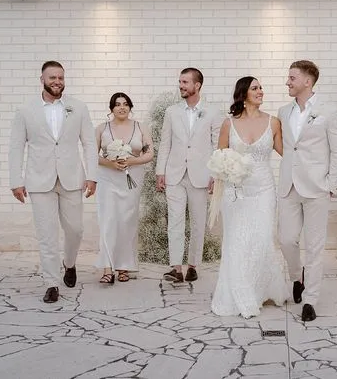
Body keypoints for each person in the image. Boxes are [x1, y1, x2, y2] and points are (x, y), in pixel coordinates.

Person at [8, 60, 98, 303]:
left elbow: (89, 142)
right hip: (39, 180)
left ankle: (69, 263)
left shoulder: (78, 107)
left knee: (76, 230)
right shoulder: (25, 111)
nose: (57, 81)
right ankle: (51, 283)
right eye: (52, 78)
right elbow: (16, 146)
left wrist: (92, 176)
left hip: (72, 178)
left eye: (60, 77)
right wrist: (16, 180)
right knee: (46, 234)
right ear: (42, 80)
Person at [210, 77, 289, 318]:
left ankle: (259, 287)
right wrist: (223, 174)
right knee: (237, 242)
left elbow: (287, 152)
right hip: (236, 193)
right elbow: (219, 157)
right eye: (255, 88)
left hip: (264, 189)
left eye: (261, 87)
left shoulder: (274, 122)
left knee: (263, 239)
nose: (260, 91)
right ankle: (242, 294)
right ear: (243, 94)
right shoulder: (228, 124)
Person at [278, 60, 337, 322]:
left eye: (292, 77)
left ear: (308, 81)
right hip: (288, 185)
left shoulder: (329, 111)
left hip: (317, 186)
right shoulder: (284, 112)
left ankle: (310, 300)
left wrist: (331, 184)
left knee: (315, 247)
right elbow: (287, 147)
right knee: (286, 239)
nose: (288, 81)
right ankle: (297, 277)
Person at [155, 68, 222, 283]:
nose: (181, 86)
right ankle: (176, 268)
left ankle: (193, 265)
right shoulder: (172, 112)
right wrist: (160, 171)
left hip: (201, 175)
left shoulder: (212, 112)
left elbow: (216, 146)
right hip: (174, 174)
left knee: (197, 222)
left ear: (197, 85)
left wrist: (215, 174)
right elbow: (165, 143)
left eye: (185, 82)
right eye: (180, 82)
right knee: (174, 221)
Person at [94, 92, 154, 284]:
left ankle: (124, 267)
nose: (122, 107)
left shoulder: (140, 127)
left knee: (127, 222)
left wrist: (132, 160)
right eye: (117, 104)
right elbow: (91, 155)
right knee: (108, 221)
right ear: (111, 108)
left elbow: (149, 153)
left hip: (132, 179)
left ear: (130, 107)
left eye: (126, 104)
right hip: (107, 179)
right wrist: (110, 164)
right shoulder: (101, 129)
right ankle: (107, 268)